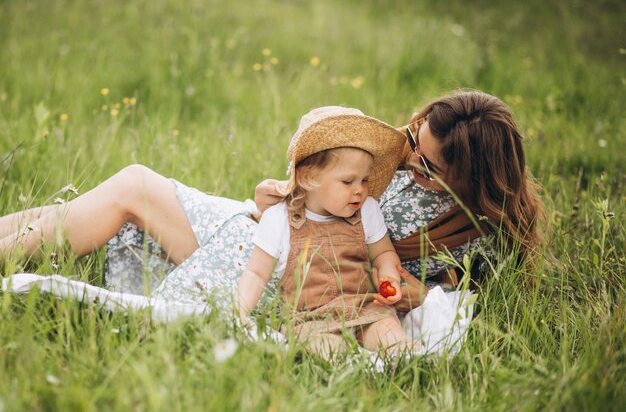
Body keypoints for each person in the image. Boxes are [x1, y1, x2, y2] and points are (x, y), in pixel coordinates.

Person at [0, 89, 546, 316]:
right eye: (413, 138)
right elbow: (326, 191)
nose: (409, 163)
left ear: (472, 181)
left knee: (132, 191)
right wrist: (278, 197)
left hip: (280, 271)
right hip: (266, 230)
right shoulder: (400, 162)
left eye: (429, 167)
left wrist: (405, 289)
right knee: (126, 189)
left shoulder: (478, 239)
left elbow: (427, 301)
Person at [235, 106, 412, 357]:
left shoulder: (367, 211)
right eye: (347, 181)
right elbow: (255, 273)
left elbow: (383, 252)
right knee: (329, 351)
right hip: (309, 319)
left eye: (364, 180)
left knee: (390, 335)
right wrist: (240, 313)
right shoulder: (279, 220)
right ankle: (352, 369)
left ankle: (406, 361)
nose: (359, 190)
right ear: (308, 179)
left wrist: (387, 276)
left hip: (364, 308)